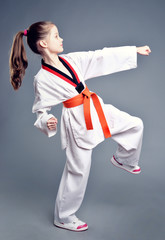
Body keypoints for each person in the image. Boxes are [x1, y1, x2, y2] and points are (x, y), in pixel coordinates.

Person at [9, 21, 151, 232]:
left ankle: (124, 158)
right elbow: (40, 110)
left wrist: (133, 51)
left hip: (94, 108)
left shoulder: (70, 60)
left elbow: (98, 57)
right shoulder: (43, 79)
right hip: (76, 122)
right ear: (43, 44)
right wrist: (46, 121)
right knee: (78, 171)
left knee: (135, 125)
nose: (61, 39)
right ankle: (64, 217)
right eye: (56, 36)